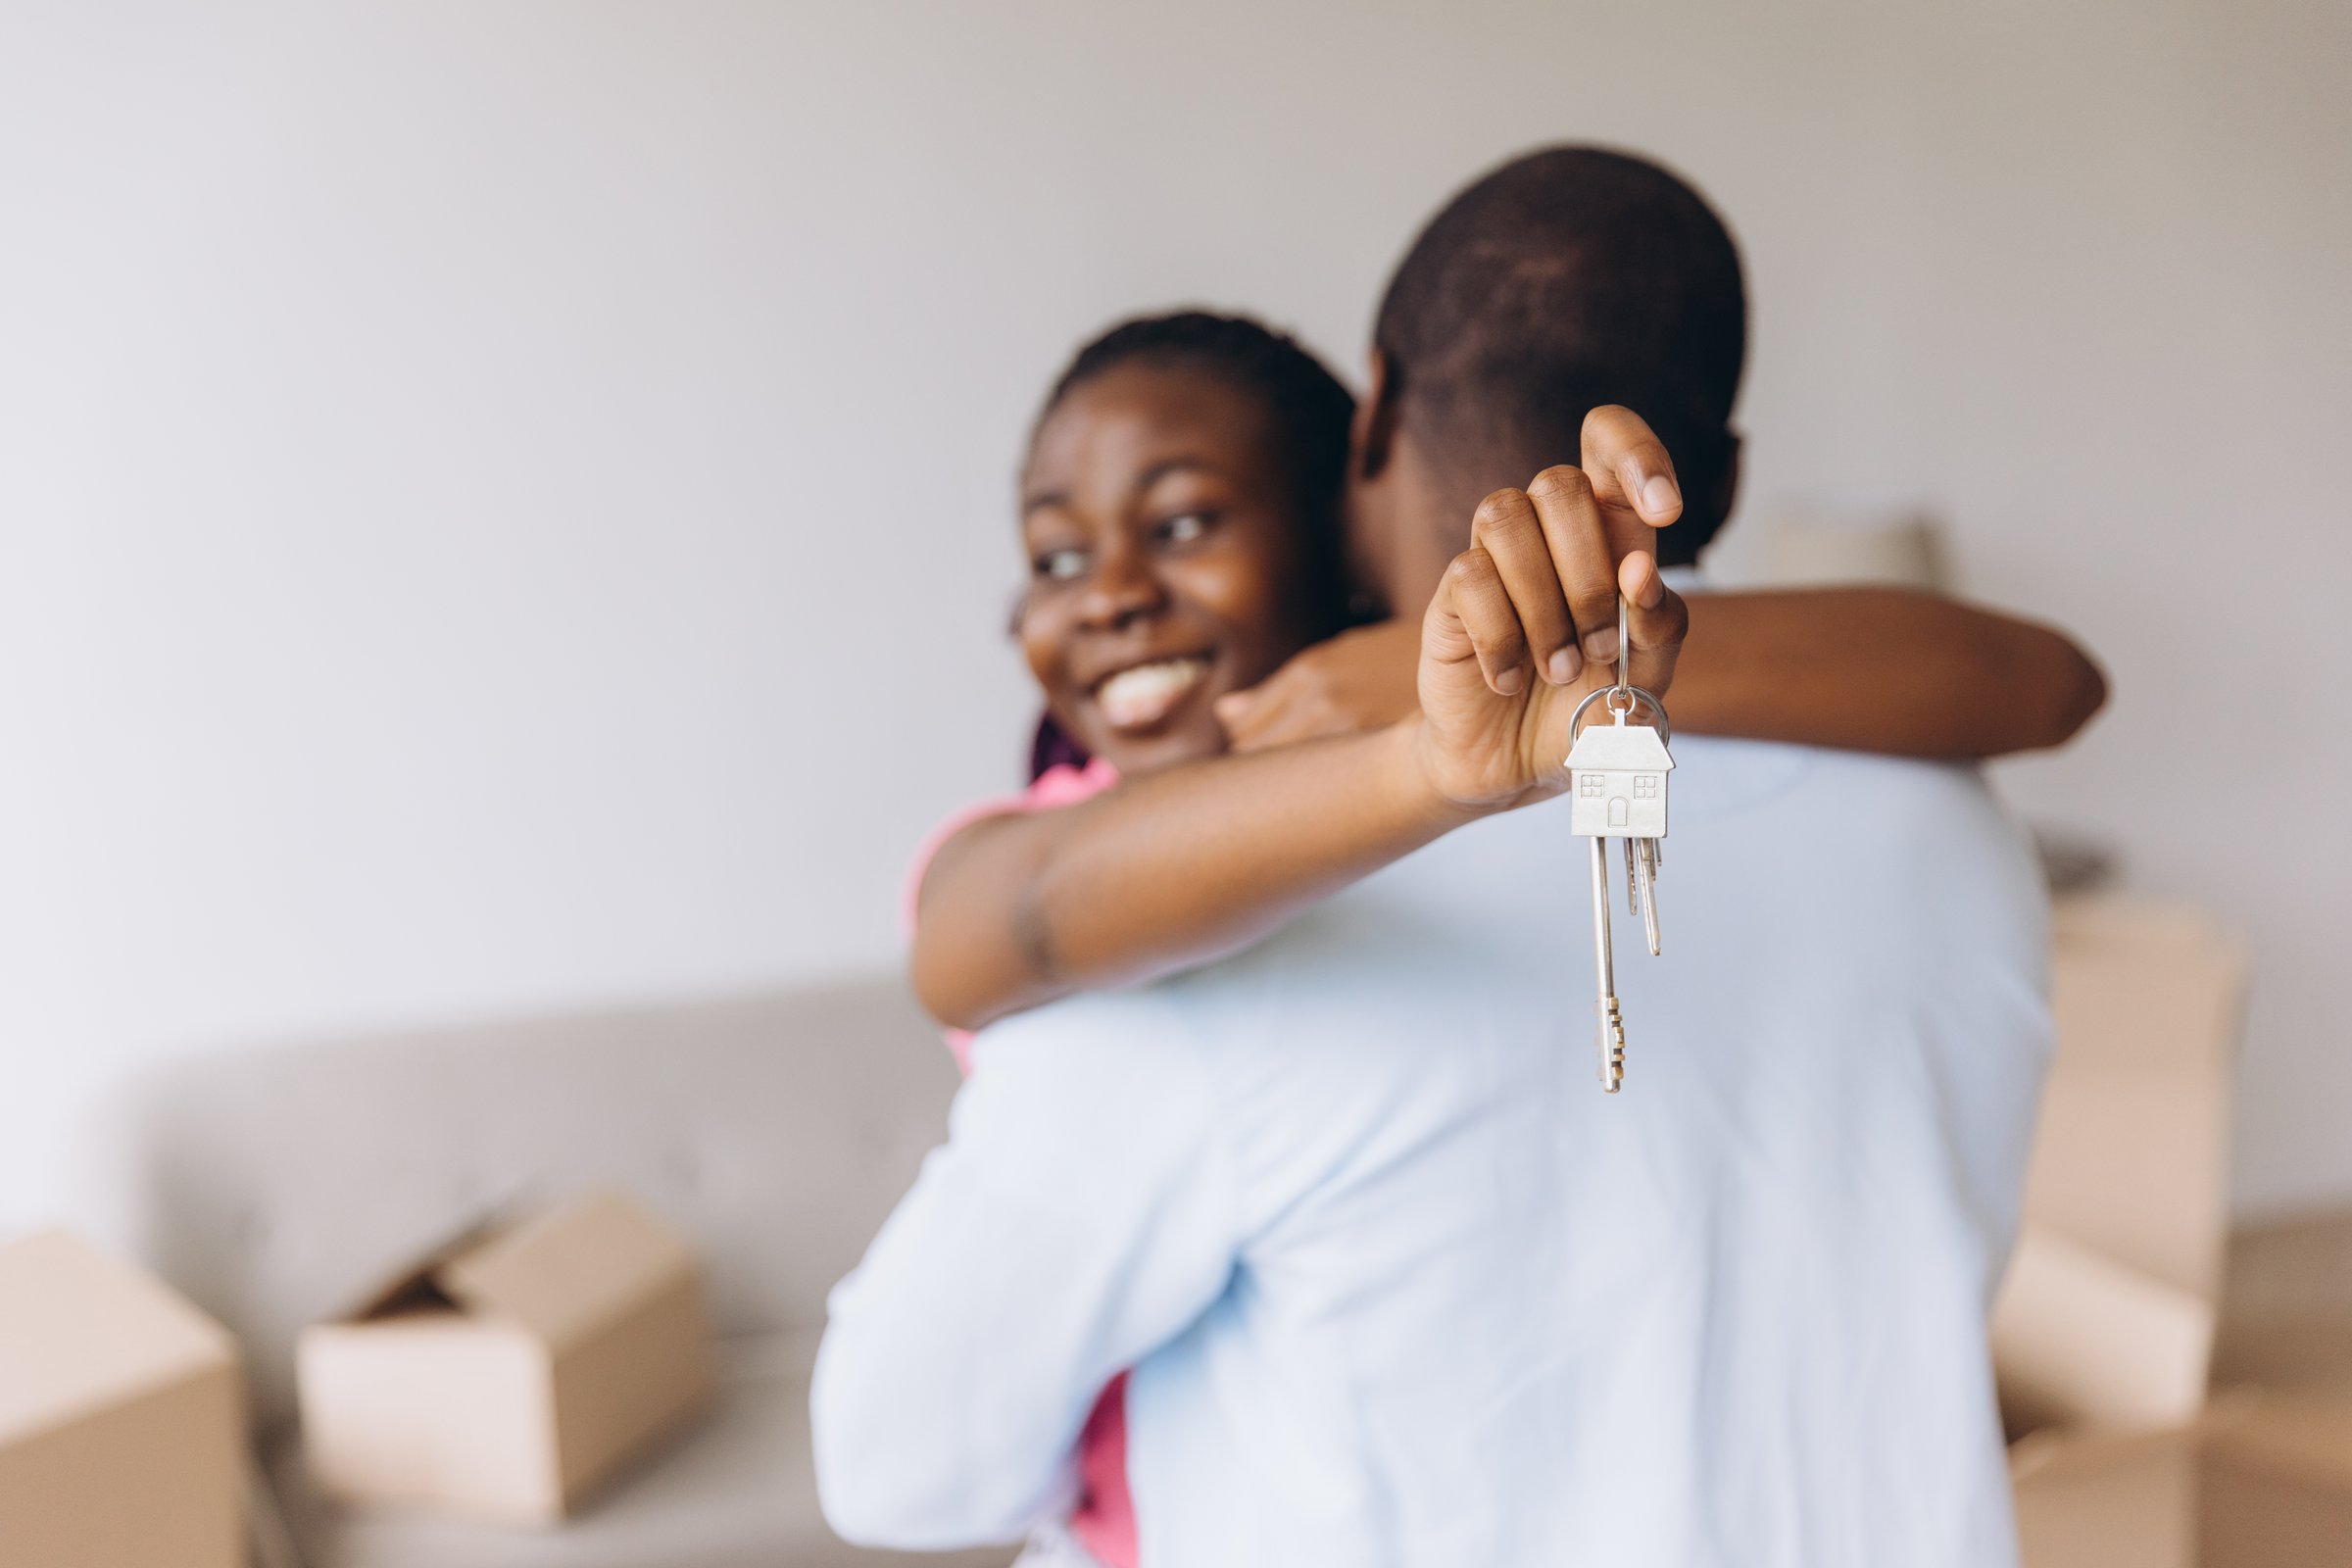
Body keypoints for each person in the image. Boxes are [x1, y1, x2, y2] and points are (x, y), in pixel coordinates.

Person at [816, 148, 2071, 1567]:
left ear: (1371, 421)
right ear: (1721, 474)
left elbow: (895, 1470)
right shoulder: (1958, 821)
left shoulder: (1226, 914)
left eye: (1181, 524)